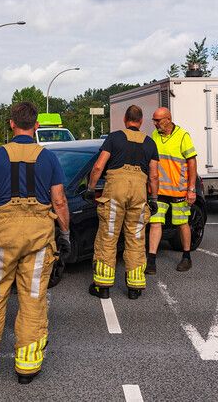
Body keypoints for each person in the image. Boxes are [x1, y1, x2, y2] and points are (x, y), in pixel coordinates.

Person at [0, 102, 71, 385]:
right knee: (33, 298)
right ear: (36, 126)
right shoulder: (48, 158)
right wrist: (65, 234)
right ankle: (26, 366)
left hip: (2, 236)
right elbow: (59, 201)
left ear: (11, 124)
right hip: (38, 237)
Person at [86, 105, 159, 300]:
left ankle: (103, 286)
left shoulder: (114, 138)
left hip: (115, 193)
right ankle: (135, 287)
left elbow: (99, 166)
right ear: (141, 121)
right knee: (136, 239)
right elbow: (154, 176)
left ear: (125, 119)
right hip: (139, 194)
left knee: (108, 237)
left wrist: (91, 188)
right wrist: (153, 199)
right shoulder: (150, 143)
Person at [146, 107, 198, 274]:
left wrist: (191, 189)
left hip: (178, 190)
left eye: (158, 120)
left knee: (182, 223)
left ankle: (186, 257)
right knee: (155, 223)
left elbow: (192, 163)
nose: (155, 124)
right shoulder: (154, 136)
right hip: (159, 191)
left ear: (168, 119)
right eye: (154, 120)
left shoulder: (183, 136)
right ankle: (151, 260)